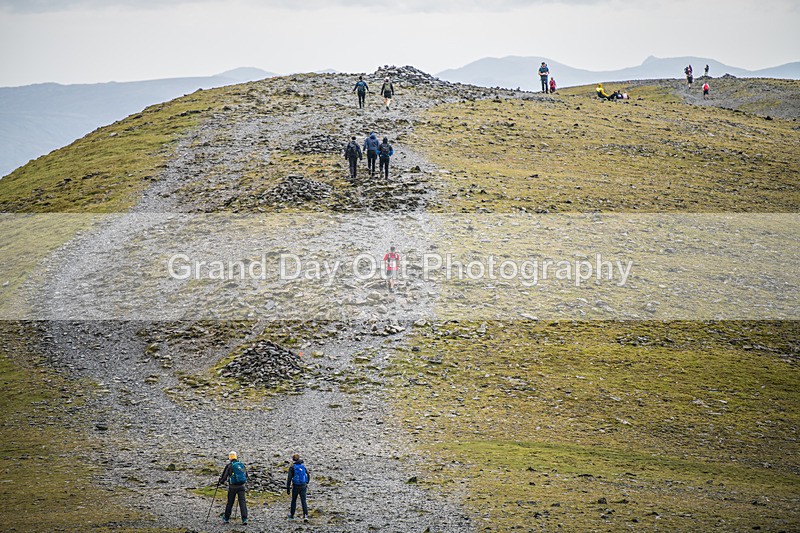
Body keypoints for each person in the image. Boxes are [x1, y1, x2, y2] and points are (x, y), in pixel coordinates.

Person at [217, 451, 248, 525]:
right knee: (242, 502)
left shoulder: (229, 466)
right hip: (242, 486)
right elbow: (246, 475)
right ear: (236, 457)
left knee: (230, 502)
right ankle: (244, 519)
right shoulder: (241, 465)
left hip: (232, 487)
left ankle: (226, 518)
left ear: (230, 458)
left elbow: (224, 477)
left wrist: (220, 482)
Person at [287, 453, 310, 522]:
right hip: (303, 486)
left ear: (293, 459)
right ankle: (305, 515)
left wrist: (288, 488)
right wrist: (306, 483)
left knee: (294, 500)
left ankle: (292, 515)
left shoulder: (292, 467)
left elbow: (289, 478)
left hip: (296, 486)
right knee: (303, 500)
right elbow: (308, 475)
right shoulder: (302, 466)